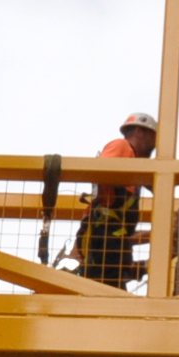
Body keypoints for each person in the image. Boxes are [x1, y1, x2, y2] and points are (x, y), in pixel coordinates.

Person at [71, 111, 157, 285]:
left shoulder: (132, 169)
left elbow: (123, 236)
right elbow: (101, 171)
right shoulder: (122, 146)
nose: (154, 146)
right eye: (153, 139)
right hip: (103, 249)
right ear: (140, 132)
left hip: (108, 250)